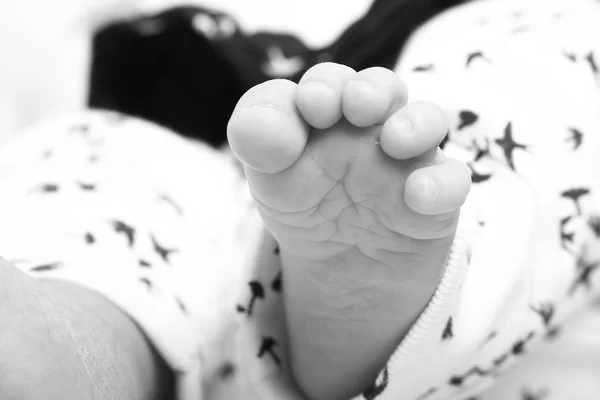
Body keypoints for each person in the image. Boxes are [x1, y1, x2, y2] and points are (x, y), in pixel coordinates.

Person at [1, 0, 600, 400]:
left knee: (517, 104)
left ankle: (79, 329)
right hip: (203, 118)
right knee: (102, 155)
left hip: (355, 131)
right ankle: (59, 344)